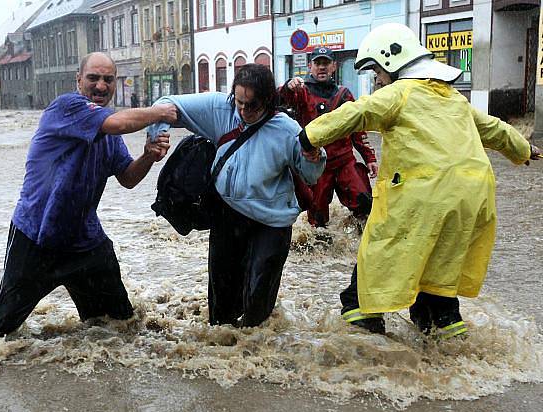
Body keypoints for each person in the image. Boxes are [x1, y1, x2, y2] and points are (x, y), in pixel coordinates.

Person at [298, 24, 540, 339]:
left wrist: (309, 137)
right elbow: (493, 128)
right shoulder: (453, 97)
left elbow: (355, 114)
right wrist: (524, 149)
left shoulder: (397, 94)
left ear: (390, 63)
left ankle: (362, 327)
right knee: (440, 265)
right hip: (475, 193)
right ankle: (446, 334)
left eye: (377, 71)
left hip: (423, 192)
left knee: (378, 251)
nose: (377, 79)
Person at [0, 52, 177, 340]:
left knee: (118, 328)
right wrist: (162, 111)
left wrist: (148, 155)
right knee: (0, 337)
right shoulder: (66, 107)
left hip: (86, 241)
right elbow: (118, 123)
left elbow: (128, 178)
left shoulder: (110, 130)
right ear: (79, 80)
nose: (101, 86)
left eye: (108, 80)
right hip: (36, 237)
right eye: (93, 78)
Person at [148, 63, 326, 328]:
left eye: (251, 105)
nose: (242, 111)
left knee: (256, 306)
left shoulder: (287, 130)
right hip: (227, 216)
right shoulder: (222, 110)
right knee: (222, 309)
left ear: (267, 101)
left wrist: (314, 156)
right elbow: (167, 104)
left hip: (272, 224)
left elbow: (311, 176)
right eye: (239, 101)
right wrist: (157, 132)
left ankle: (256, 357)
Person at [278, 46, 378, 227]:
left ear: (334, 66)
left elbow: (358, 128)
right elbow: (276, 101)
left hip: (344, 162)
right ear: (310, 66)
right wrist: (287, 86)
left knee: (365, 203)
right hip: (317, 166)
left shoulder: (344, 94)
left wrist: (369, 157)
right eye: (318, 63)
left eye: (326, 63)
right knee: (317, 220)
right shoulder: (300, 92)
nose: (321, 67)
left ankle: (359, 242)